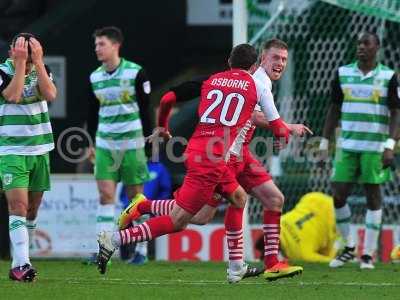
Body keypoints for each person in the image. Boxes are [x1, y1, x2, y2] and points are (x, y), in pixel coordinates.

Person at [118, 39, 310, 281]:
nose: (280, 63)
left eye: (283, 59)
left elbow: (171, 97)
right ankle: (142, 209)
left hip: (241, 154)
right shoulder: (256, 81)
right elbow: (254, 116)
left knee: (274, 199)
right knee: (198, 215)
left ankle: (269, 263)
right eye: (275, 58)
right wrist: (285, 127)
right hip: (225, 156)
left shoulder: (237, 80)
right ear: (261, 60)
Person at [319, 32, 400, 269]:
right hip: (347, 146)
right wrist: (324, 143)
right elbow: (333, 109)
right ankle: (348, 247)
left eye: (366, 43)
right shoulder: (343, 73)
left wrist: (389, 146)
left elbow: (397, 113)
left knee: (372, 196)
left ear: (377, 47)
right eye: (359, 43)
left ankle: (367, 254)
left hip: (375, 147)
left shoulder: (388, 76)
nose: (361, 47)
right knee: (338, 195)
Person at [86, 26, 151, 262]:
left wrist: (149, 142)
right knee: (105, 196)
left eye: (101, 44)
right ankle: (103, 250)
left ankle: (142, 250)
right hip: (105, 144)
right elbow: (92, 113)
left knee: (136, 199)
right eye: (96, 45)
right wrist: (91, 141)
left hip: (132, 143)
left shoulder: (136, 73)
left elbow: (145, 110)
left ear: (116, 45)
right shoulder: (95, 77)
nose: (97, 49)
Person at [0, 33, 57, 281]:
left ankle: (24, 256)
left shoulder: (42, 68)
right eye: (22, 49)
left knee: (32, 210)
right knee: (18, 206)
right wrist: (21, 64)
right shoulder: (2, 71)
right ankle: (20, 263)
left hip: (40, 148)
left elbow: (50, 94)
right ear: (12, 51)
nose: (27, 54)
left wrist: (40, 61)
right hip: (11, 149)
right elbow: (12, 95)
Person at [119, 149, 172, 264]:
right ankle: (125, 256)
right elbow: (124, 191)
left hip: (151, 208)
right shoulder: (132, 166)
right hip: (131, 207)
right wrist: (125, 205)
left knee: (145, 217)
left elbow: (165, 189)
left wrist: (156, 205)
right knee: (121, 221)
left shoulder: (159, 168)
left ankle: (142, 253)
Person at [256, 192, 337, 263]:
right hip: (317, 200)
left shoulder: (300, 254)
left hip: (331, 220)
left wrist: (331, 258)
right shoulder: (277, 223)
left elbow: (326, 261)